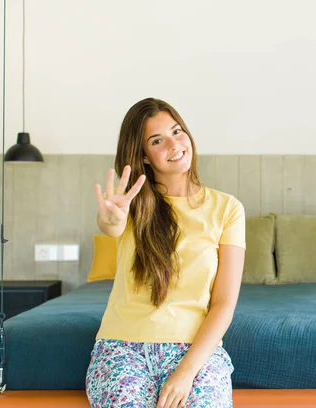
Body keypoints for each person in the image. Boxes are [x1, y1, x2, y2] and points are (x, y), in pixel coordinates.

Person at [85, 97, 246, 408]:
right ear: (144, 156)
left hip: (196, 353)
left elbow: (224, 304)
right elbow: (111, 225)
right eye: (157, 140)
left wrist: (185, 373)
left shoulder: (227, 209)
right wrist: (110, 217)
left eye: (177, 131)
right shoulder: (129, 205)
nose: (175, 144)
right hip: (123, 349)